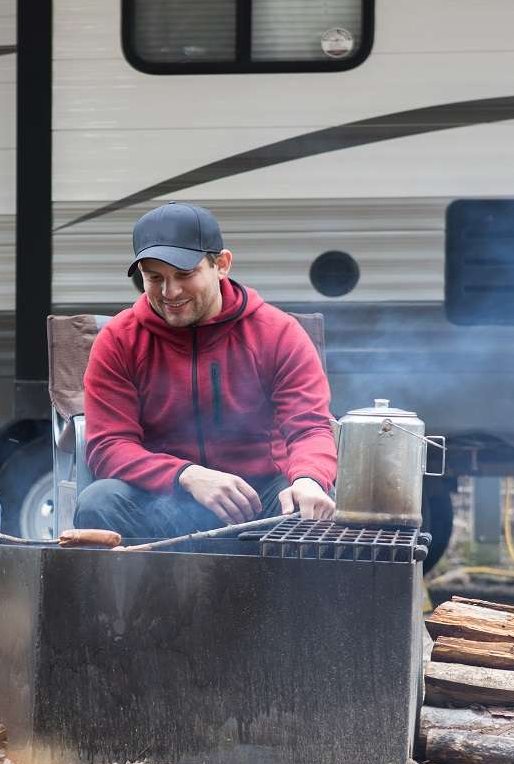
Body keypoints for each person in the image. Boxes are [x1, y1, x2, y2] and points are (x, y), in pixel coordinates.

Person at [74, 202, 337, 538]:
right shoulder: (119, 339)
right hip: (165, 497)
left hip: (260, 504)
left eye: (185, 275)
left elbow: (310, 428)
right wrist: (187, 475)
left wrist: (308, 478)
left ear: (221, 264)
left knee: (311, 506)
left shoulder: (277, 332)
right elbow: (109, 445)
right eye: (155, 278)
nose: (170, 293)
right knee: (99, 501)